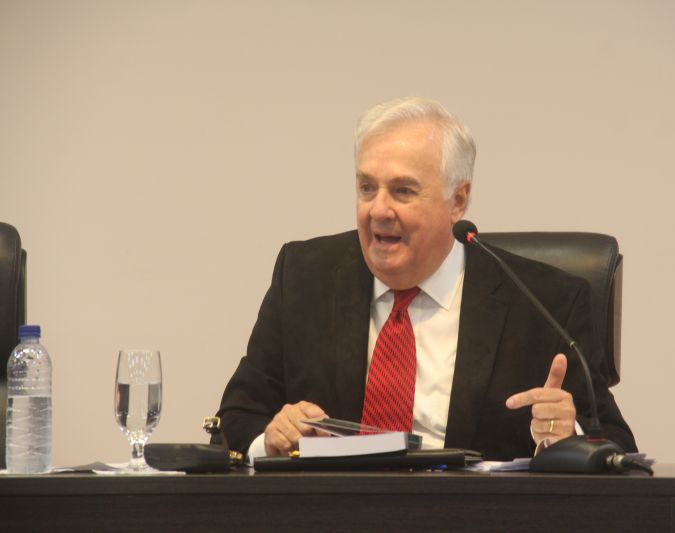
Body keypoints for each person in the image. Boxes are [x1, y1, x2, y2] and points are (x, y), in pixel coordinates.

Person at [216, 96, 636, 461]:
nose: (378, 210)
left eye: (402, 191)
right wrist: (272, 439)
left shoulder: (544, 303)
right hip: (333, 513)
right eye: (367, 188)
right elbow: (235, 421)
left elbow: (617, 447)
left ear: (458, 200)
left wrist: (567, 436)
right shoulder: (305, 278)